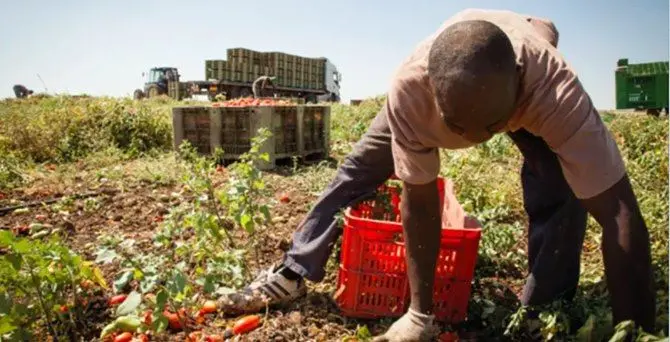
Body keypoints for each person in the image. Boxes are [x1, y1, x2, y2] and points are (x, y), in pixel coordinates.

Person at [217, 9, 655, 341]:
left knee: (559, 187)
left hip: (525, 79)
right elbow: (420, 200)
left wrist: (635, 330)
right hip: (454, 72)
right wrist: (420, 315)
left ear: (518, 87)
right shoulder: (412, 88)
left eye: (490, 127)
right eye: (458, 128)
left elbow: (620, 214)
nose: (477, 140)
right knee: (358, 170)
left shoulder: (553, 89)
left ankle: (546, 302)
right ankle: (295, 270)